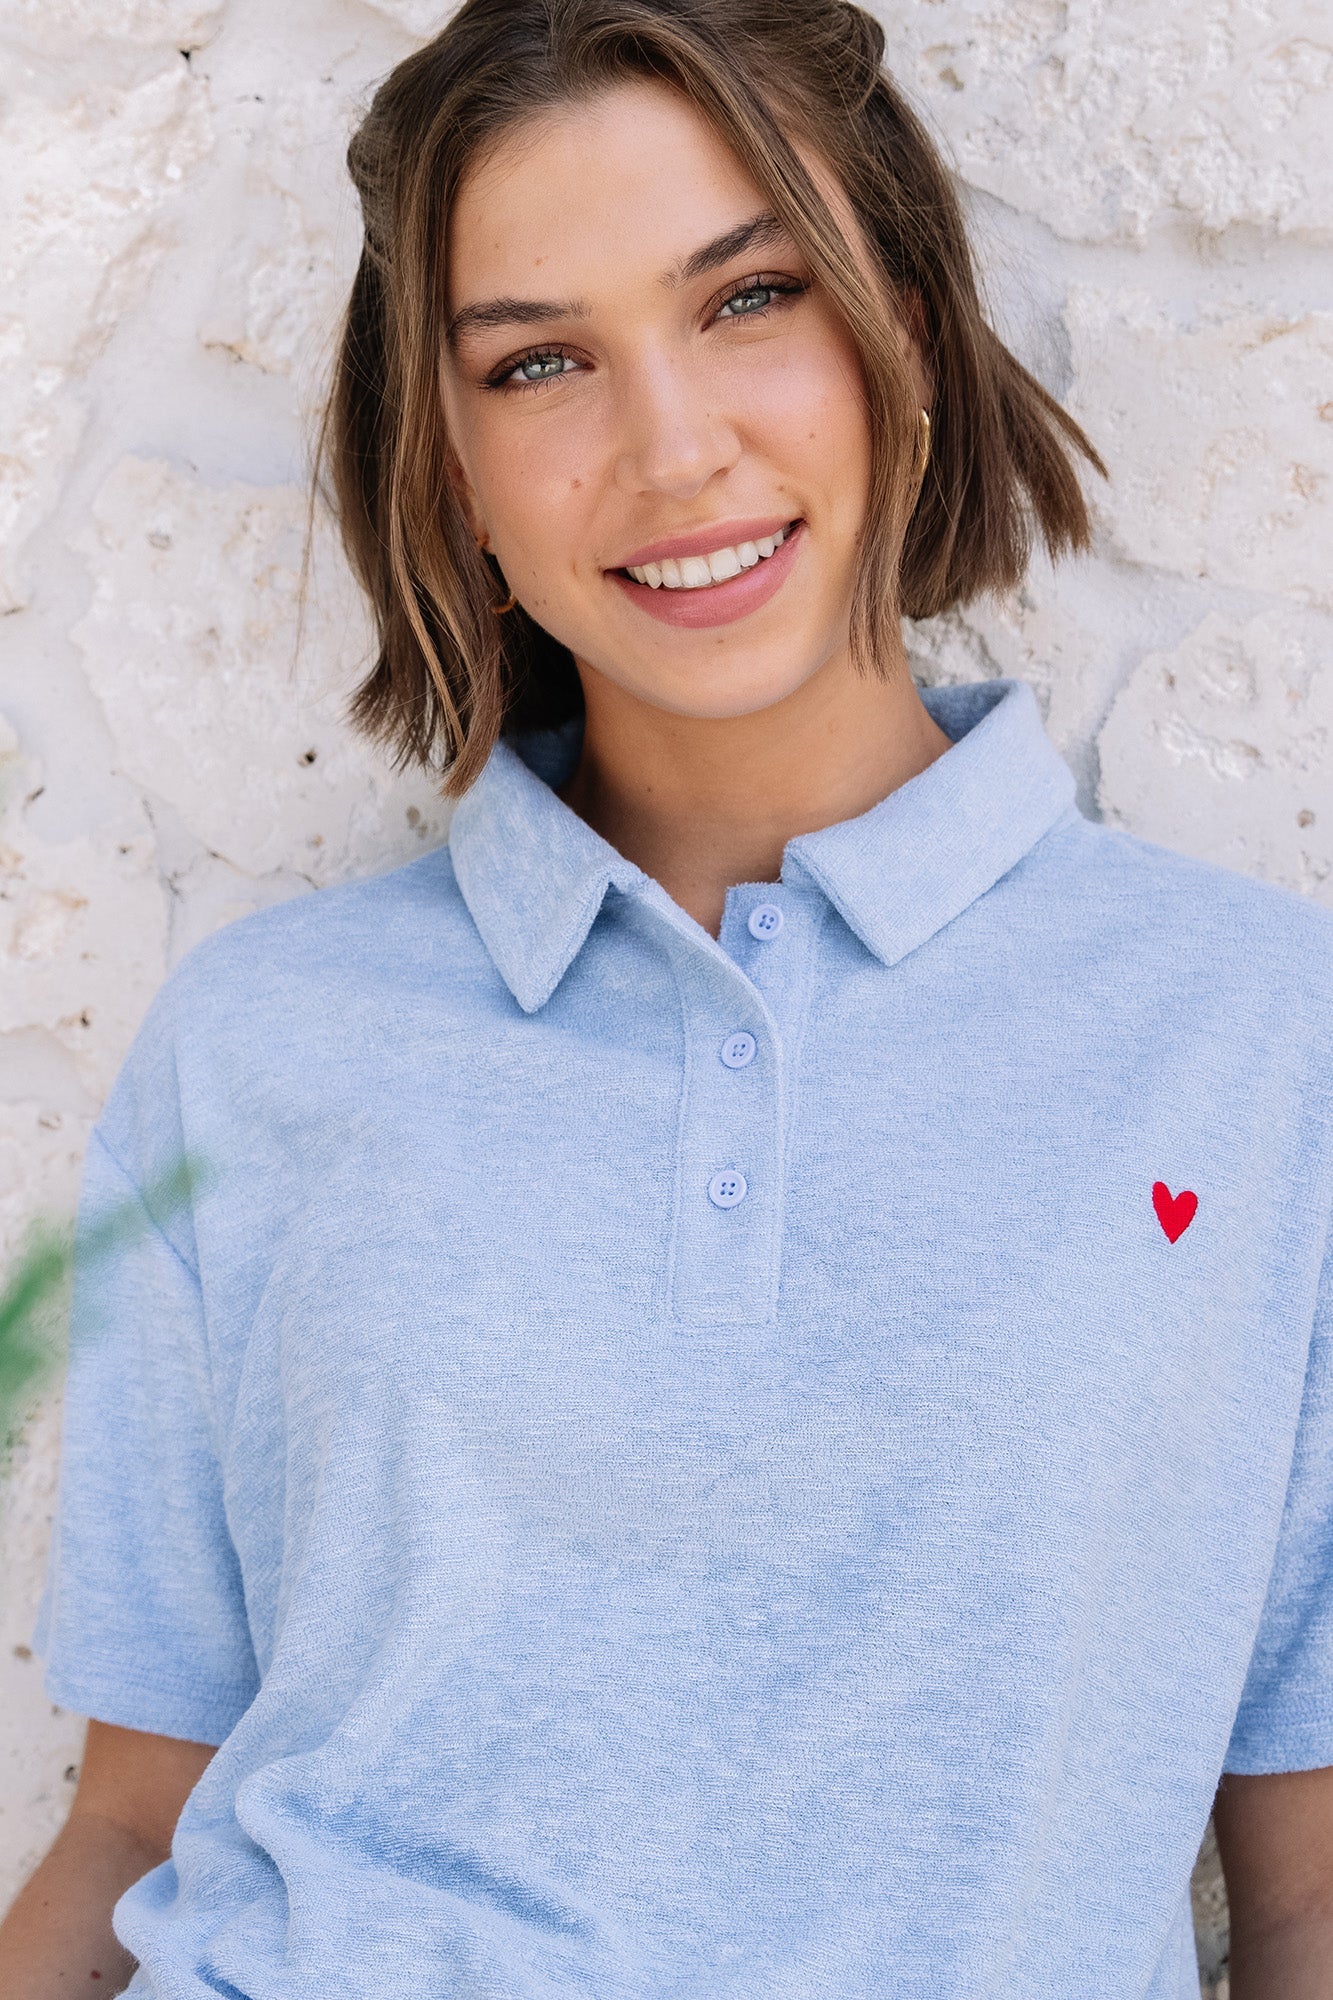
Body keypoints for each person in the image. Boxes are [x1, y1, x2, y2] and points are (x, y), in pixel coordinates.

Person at [3, 1, 1331, 1994]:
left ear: (900, 334)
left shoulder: (1255, 1034)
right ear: (448, 466)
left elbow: (1305, 1887)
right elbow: (132, 1821)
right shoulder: (260, 1041)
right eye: (536, 362)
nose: (671, 446)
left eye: (748, 299)